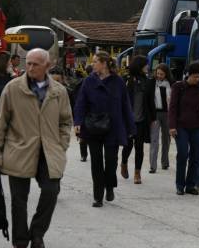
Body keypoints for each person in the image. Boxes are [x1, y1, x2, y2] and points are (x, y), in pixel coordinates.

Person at [0, 49, 73, 248]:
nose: (30, 67)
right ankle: (20, 241)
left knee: (51, 192)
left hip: (49, 151)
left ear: (47, 66)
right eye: (29, 63)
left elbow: (65, 121)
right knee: (19, 199)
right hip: (19, 150)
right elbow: (0, 123)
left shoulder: (59, 91)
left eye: (36, 64)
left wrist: (61, 144)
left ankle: (37, 234)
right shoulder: (13, 88)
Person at [74, 51, 135, 207]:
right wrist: (78, 122)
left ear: (105, 64)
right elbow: (80, 103)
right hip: (93, 126)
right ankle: (98, 195)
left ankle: (109, 186)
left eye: (95, 62)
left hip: (113, 127)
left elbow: (125, 105)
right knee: (96, 162)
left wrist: (130, 127)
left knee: (111, 160)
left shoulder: (118, 82)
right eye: (93, 62)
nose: (92, 64)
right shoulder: (88, 81)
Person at [169, 62, 199, 195]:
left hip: (198, 126)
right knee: (183, 154)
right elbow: (172, 107)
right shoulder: (178, 87)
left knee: (196, 156)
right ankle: (180, 184)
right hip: (181, 126)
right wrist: (172, 126)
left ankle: (190, 184)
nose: (198, 79)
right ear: (188, 75)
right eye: (195, 77)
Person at [121, 55, 150, 184]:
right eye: (146, 64)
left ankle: (137, 173)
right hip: (128, 120)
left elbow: (151, 102)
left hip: (141, 120)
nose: (148, 67)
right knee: (128, 145)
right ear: (139, 66)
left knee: (140, 147)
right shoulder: (127, 80)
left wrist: (152, 118)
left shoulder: (147, 80)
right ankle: (123, 163)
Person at [146, 63, 173, 173]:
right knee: (154, 139)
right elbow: (148, 99)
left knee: (166, 139)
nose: (159, 76)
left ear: (166, 74)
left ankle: (165, 162)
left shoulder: (171, 84)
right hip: (155, 113)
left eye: (161, 74)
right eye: (158, 73)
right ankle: (153, 166)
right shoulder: (151, 83)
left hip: (167, 113)